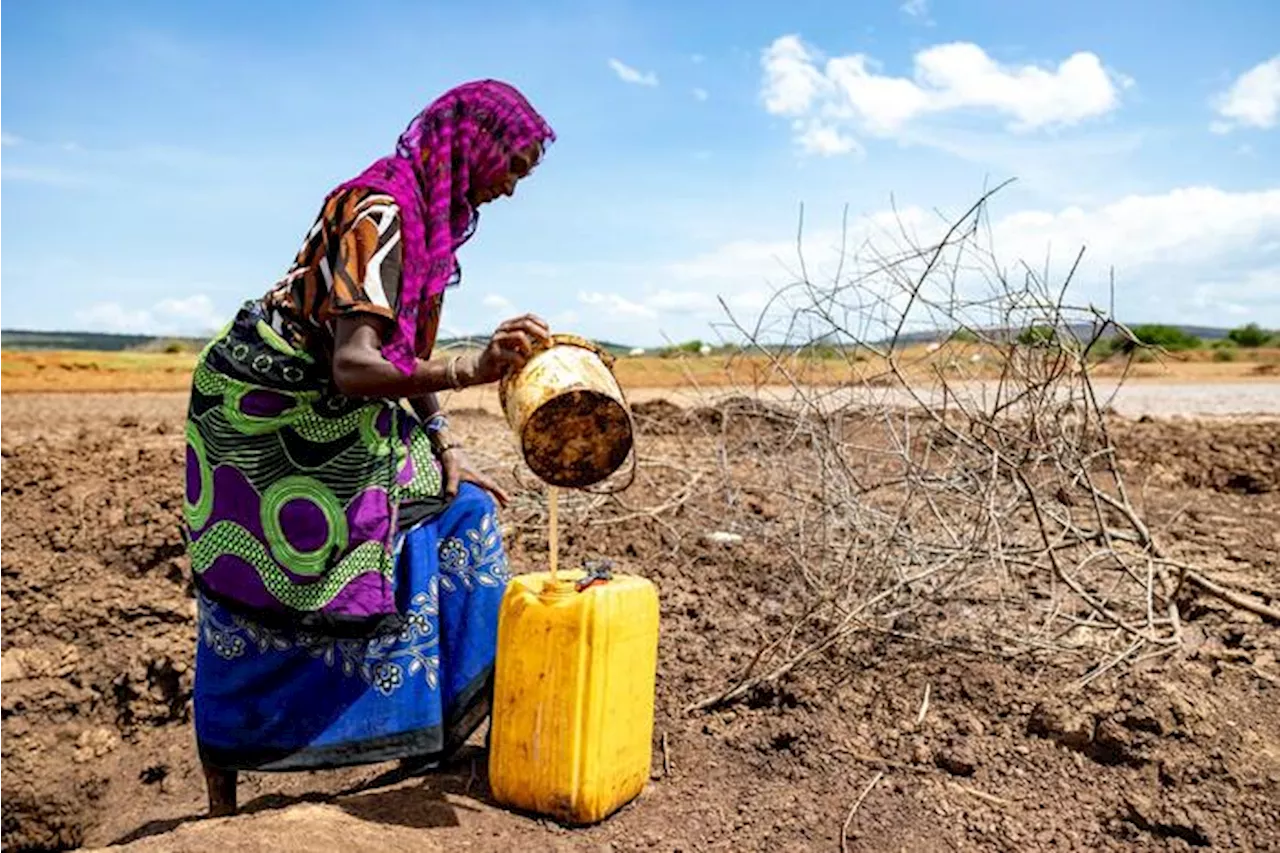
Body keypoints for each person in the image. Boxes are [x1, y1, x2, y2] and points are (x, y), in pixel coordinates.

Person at [181, 80, 556, 817]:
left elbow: (400, 347)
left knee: (461, 506)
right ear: (473, 144)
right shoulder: (380, 210)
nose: (512, 188)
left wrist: (442, 439)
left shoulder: (432, 223)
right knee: (253, 579)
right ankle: (221, 788)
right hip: (263, 414)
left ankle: (436, 733)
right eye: (510, 165)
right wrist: (472, 370)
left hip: (333, 407)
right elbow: (355, 364)